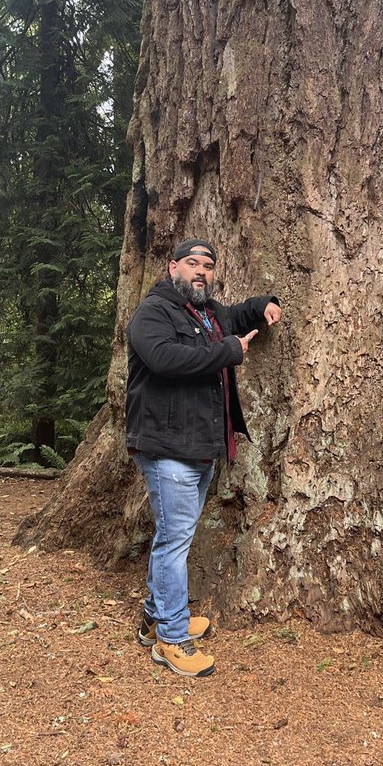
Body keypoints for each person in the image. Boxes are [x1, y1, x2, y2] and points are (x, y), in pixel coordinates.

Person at [125, 238, 282, 677]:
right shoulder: (153, 312)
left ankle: (155, 619)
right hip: (166, 447)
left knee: (172, 540)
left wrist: (265, 304)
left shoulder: (207, 313)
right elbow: (163, 359)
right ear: (171, 267)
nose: (200, 271)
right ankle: (172, 639)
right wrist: (228, 351)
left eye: (208, 266)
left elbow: (238, 314)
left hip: (198, 447)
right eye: (192, 263)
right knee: (175, 543)